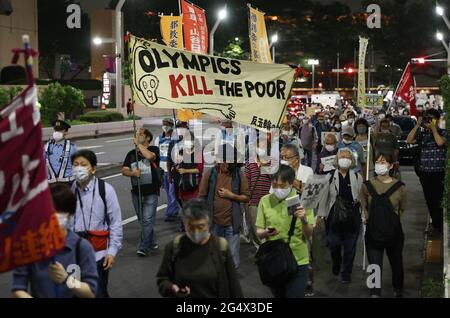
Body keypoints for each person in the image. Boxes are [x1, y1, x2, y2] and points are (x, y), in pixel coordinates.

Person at [12, 184, 98, 298]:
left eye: (60, 211)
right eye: (49, 211)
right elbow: (18, 289)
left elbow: (90, 293)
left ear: (70, 214)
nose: (54, 216)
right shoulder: (30, 247)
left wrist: (67, 279)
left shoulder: (82, 247)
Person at [156, 199, 243, 298]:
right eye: (191, 227)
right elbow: (162, 279)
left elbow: (233, 284)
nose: (196, 232)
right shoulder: (174, 247)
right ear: (184, 224)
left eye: (200, 226)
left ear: (208, 223)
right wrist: (171, 288)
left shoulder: (220, 246)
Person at [256, 165, 315, 298]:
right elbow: (259, 232)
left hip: (299, 260)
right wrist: (266, 232)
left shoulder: (303, 201)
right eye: (275, 185)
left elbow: (309, 234)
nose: (278, 189)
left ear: (291, 183)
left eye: (282, 186)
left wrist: (304, 220)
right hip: (275, 260)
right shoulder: (265, 201)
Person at [71, 150, 123, 298]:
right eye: (75, 165)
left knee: (98, 293)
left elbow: (115, 222)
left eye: (83, 165)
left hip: (98, 256)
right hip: (73, 256)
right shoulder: (69, 190)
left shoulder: (105, 190)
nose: (78, 168)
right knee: (73, 293)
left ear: (93, 169)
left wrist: (112, 251)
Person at [360, 152, 407, 298]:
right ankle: (374, 292)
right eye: (378, 161)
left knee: (396, 262)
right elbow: (363, 205)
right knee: (374, 265)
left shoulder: (400, 187)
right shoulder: (366, 186)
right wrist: (365, 216)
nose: (380, 164)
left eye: (384, 161)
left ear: (391, 165)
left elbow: (402, 208)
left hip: (394, 233)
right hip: (373, 231)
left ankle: (397, 288)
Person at [198, 145, 250, 269]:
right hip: (214, 223)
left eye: (230, 162)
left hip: (232, 223)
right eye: (225, 162)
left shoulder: (239, 175)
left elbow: (246, 197)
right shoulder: (209, 174)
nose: (227, 165)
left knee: (232, 260)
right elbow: (201, 197)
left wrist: (231, 195)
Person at [317, 148, 363, 284]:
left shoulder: (356, 176)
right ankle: (336, 262)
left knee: (350, 248)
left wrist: (364, 214)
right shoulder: (330, 176)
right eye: (342, 156)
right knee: (334, 245)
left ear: (351, 160)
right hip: (333, 217)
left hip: (352, 217)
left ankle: (346, 274)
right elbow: (323, 197)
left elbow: (361, 197)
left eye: (347, 156)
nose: (344, 158)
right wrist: (320, 215)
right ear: (337, 159)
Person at [406, 109, 448, 232]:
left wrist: (434, 129)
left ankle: (439, 224)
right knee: (429, 199)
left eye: (431, 118)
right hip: (425, 172)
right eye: (427, 118)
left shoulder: (444, 132)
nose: (429, 120)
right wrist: (418, 125)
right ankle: (436, 224)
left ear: (437, 119)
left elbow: (440, 143)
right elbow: (409, 140)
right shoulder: (422, 134)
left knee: (438, 198)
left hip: (439, 172)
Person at [122, 128, 161, 256]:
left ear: (148, 138)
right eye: (136, 135)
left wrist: (138, 144)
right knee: (143, 220)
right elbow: (124, 170)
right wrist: (132, 173)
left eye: (141, 135)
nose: (138, 136)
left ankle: (143, 247)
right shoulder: (131, 154)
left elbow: (149, 157)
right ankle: (152, 241)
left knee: (147, 220)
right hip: (136, 192)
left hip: (151, 192)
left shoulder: (154, 149)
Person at [244, 134, 273, 246]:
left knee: (268, 228)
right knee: (256, 229)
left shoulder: (273, 162)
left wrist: (265, 166)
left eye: (264, 147)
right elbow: (246, 182)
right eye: (259, 146)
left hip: (269, 201)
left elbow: (276, 180)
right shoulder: (250, 162)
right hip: (254, 201)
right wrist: (247, 199)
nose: (261, 149)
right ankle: (260, 248)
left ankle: (267, 248)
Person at [154, 118, 179, 222]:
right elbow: (156, 154)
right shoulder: (158, 139)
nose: (165, 126)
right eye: (163, 124)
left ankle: (172, 213)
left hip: (173, 170)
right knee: (168, 192)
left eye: (167, 124)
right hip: (162, 170)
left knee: (172, 192)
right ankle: (173, 210)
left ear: (171, 125)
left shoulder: (176, 138)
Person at [45, 119, 77, 185]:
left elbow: (76, 165)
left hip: (67, 183)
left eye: (60, 130)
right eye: (56, 130)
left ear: (66, 132)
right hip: (51, 184)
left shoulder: (72, 147)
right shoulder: (46, 147)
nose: (57, 132)